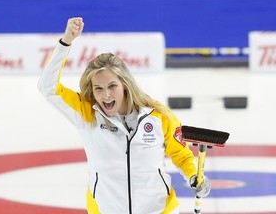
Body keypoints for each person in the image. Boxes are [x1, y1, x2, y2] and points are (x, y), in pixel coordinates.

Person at [38, 17, 211, 214]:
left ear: (125, 85)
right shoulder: (87, 114)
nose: (106, 95)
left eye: (112, 86)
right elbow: (47, 87)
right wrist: (66, 42)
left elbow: (181, 155)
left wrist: (193, 176)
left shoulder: (159, 117)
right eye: (99, 88)